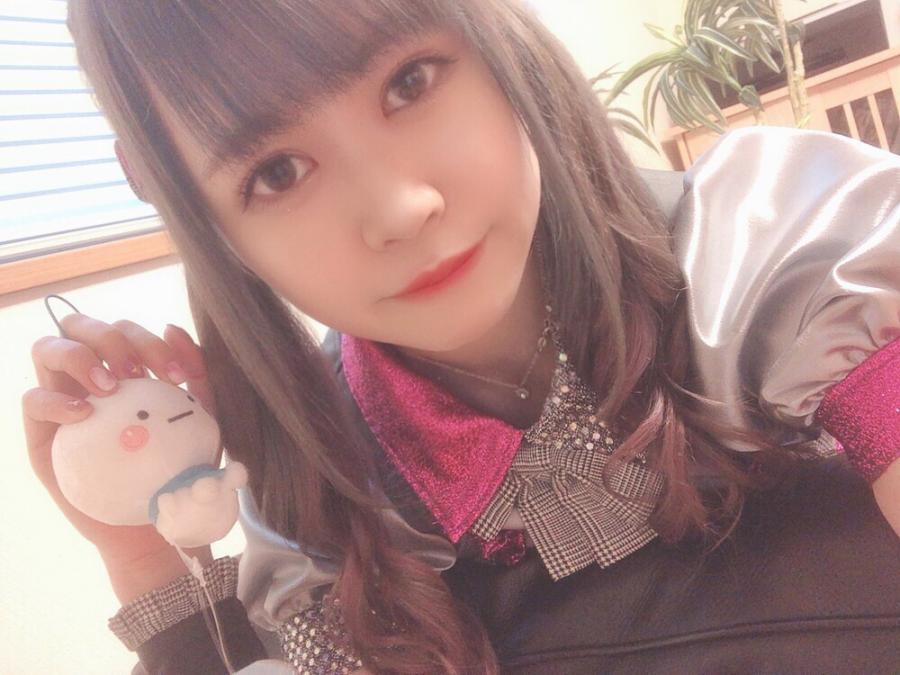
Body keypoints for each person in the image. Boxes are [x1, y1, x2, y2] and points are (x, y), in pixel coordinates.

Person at [21, 1, 900, 673]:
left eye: (410, 82)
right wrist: (146, 564)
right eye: (277, 172)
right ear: (192, 212)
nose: (401, 208)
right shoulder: (322, 503)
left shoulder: (789, 257)